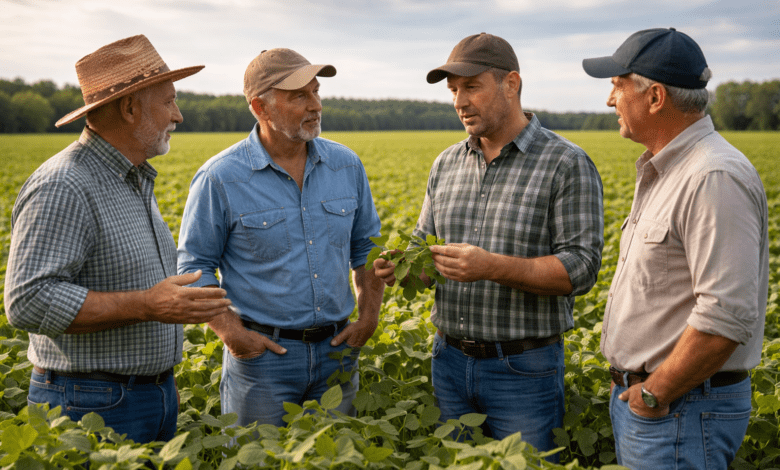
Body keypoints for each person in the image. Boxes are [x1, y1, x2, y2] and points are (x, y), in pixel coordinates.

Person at [374, 33, 604, 455]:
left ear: (511, 84)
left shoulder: (566, 163)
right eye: (454, 90)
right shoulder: (446, 163)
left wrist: (492, 266)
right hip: (448, 362)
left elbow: (581, 268)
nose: (460, 101)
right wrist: (403, 266)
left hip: (522, 369)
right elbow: (424, 250)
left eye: (472, 87)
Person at [5, 35, 232, 443]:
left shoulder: (132, 178)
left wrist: (156, 380)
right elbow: (27, 301)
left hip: (141, 393)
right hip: (89, 401)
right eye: (168, 102)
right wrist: (146, 305)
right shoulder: (65, 184)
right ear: (130, 108)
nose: (177, 116)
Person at [582, 28, 768, 469]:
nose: (610, 100)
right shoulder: (670, 170)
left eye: (617, 85)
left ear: (655, 96)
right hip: (662, 407)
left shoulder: (711, 176)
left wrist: (654, 392)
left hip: (680, 410)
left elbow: (726, 313)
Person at [177, 48, 385, 428]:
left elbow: (366, 247)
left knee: (336, 458)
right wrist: (233, 334)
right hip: (262, 360)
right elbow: (195, 266)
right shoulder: (220, 177)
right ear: (261, 107)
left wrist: (369, 317)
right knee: (257, 458)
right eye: (299, 96)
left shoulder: (346, 165)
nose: (315, 105)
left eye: (316, 92)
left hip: (337, 351)